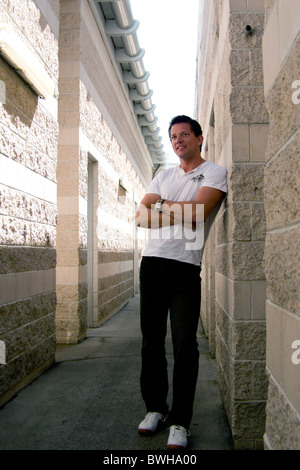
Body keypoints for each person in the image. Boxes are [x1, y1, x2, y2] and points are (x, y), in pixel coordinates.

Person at [135, 115, 227, 449]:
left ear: (199, 138)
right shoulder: (164, 174)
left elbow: (199, 213)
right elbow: (141, 218)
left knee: (185, 345)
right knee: (151, 342)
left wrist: (160, 205)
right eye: (173, 137)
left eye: (184, 135)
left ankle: (180, 422)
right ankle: (155, 409)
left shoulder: (214, 172)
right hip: (152, 264)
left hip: (185, 268)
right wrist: (177, 208)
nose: (178, 141)